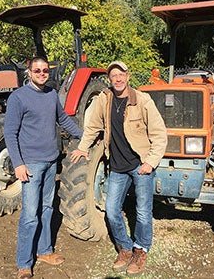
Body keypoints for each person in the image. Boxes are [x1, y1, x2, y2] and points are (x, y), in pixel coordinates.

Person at [70, 61, 167, 276]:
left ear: (128, 76)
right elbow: (93, 126)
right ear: (110, 79)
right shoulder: (104, 99)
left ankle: (141, 250)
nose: (118, 78)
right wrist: (83, 147)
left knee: (143, 212)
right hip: (117, 166)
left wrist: (150, 162)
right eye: (114, 75)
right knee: (112, 211)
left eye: (121, 74)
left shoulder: (142, 100)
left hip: (140, 164)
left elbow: (159, 133)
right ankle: (124, 247)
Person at [4, 56, 83, 279]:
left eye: (45, 70)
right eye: (37, 70)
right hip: (30, 164)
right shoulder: (18, 97)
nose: (41, 73)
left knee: (47, 208)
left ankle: (44, 251)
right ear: (29, 72)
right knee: (30, 214)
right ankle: (24, 263)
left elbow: (64, 120)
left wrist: (84, 136)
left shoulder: (51, 94)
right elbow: (10, 133)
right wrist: (18, 163)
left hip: (51, 161)